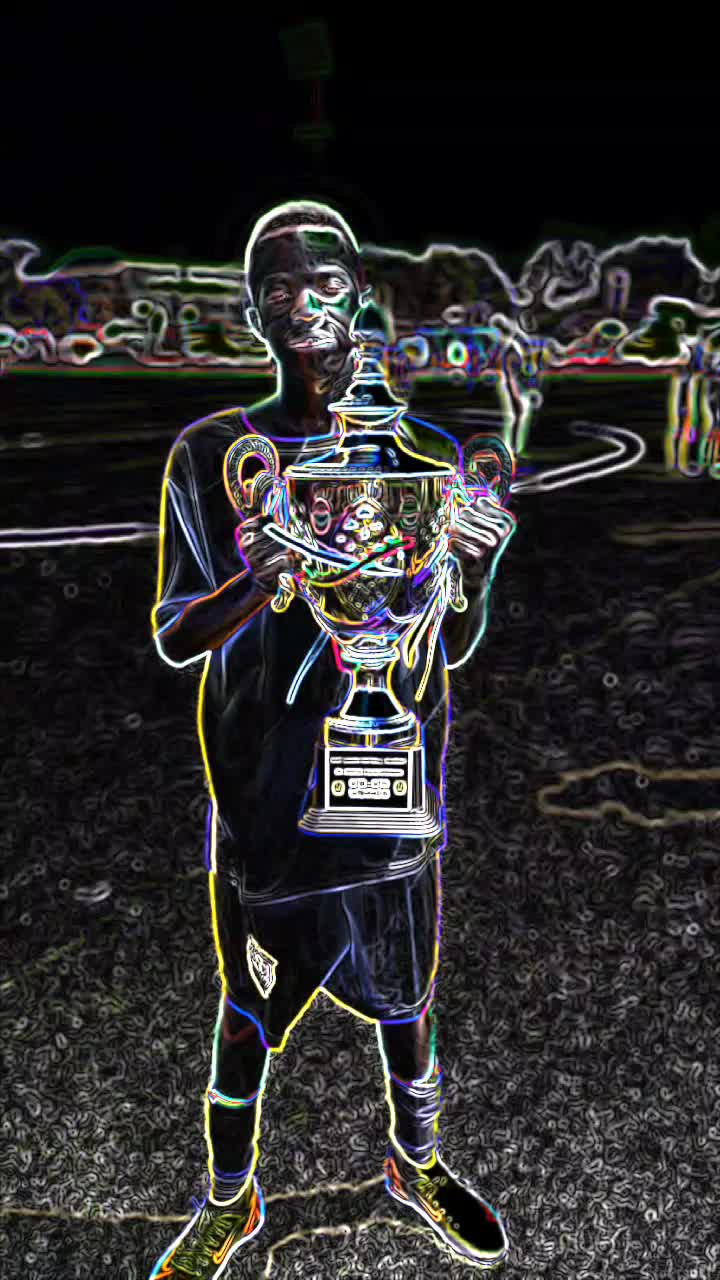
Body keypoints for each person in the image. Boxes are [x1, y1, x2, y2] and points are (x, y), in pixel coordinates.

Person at [148, 200, 516, 1277]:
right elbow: (175, 632)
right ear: (253, 311)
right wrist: (253, 580)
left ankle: (418, 1162)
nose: (302, 305)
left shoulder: (421, 454)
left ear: (357, 295)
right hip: (268, 796)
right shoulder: (215, 454)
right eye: (278, 288)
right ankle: (230, 1199)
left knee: (407, 1000)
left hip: (391, 776)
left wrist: (477, 563)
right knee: (247, 1010)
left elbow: (449, 641)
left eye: (322, 284)